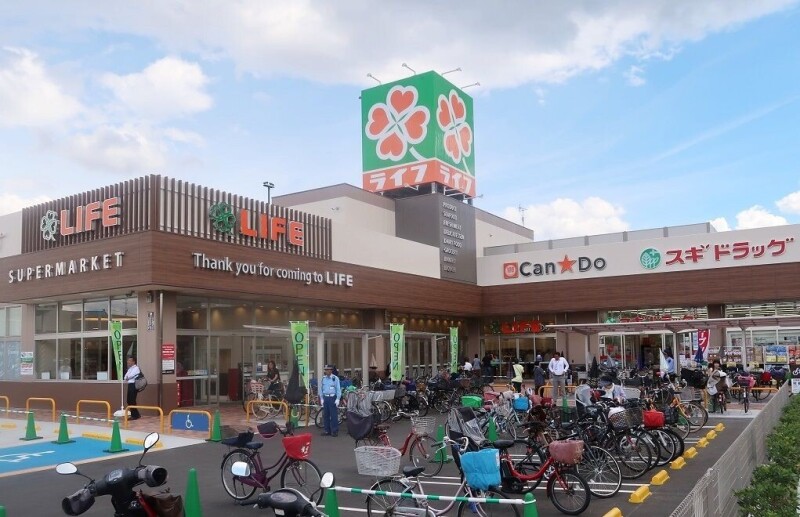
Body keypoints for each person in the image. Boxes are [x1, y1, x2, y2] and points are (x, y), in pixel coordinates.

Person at [318, 364, 341, 437]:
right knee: (326, 415)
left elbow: (338, 389)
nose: (326, 371)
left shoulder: (335, 378)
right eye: (326, 370)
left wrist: (338, 399)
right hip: (326, 398)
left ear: (331, 370)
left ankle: (334, 431)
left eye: (328, 370)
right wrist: (321, 398)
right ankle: (327, 430)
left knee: (333, 415)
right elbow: (321, 389)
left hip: (332, 398)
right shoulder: (323, 379)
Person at [123, 356, 141, 420]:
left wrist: (128, 377)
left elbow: (130, 376)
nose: (128, 362)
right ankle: (136, 414)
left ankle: (135, 415)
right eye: (128, 360)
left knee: (132, 400)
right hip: (130, 385)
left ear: (133, 362)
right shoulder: (130, 369)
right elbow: (125, 377)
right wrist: (127, 377)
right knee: (129, 400)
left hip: (134, 385)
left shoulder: (136, 368)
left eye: (129, 360)